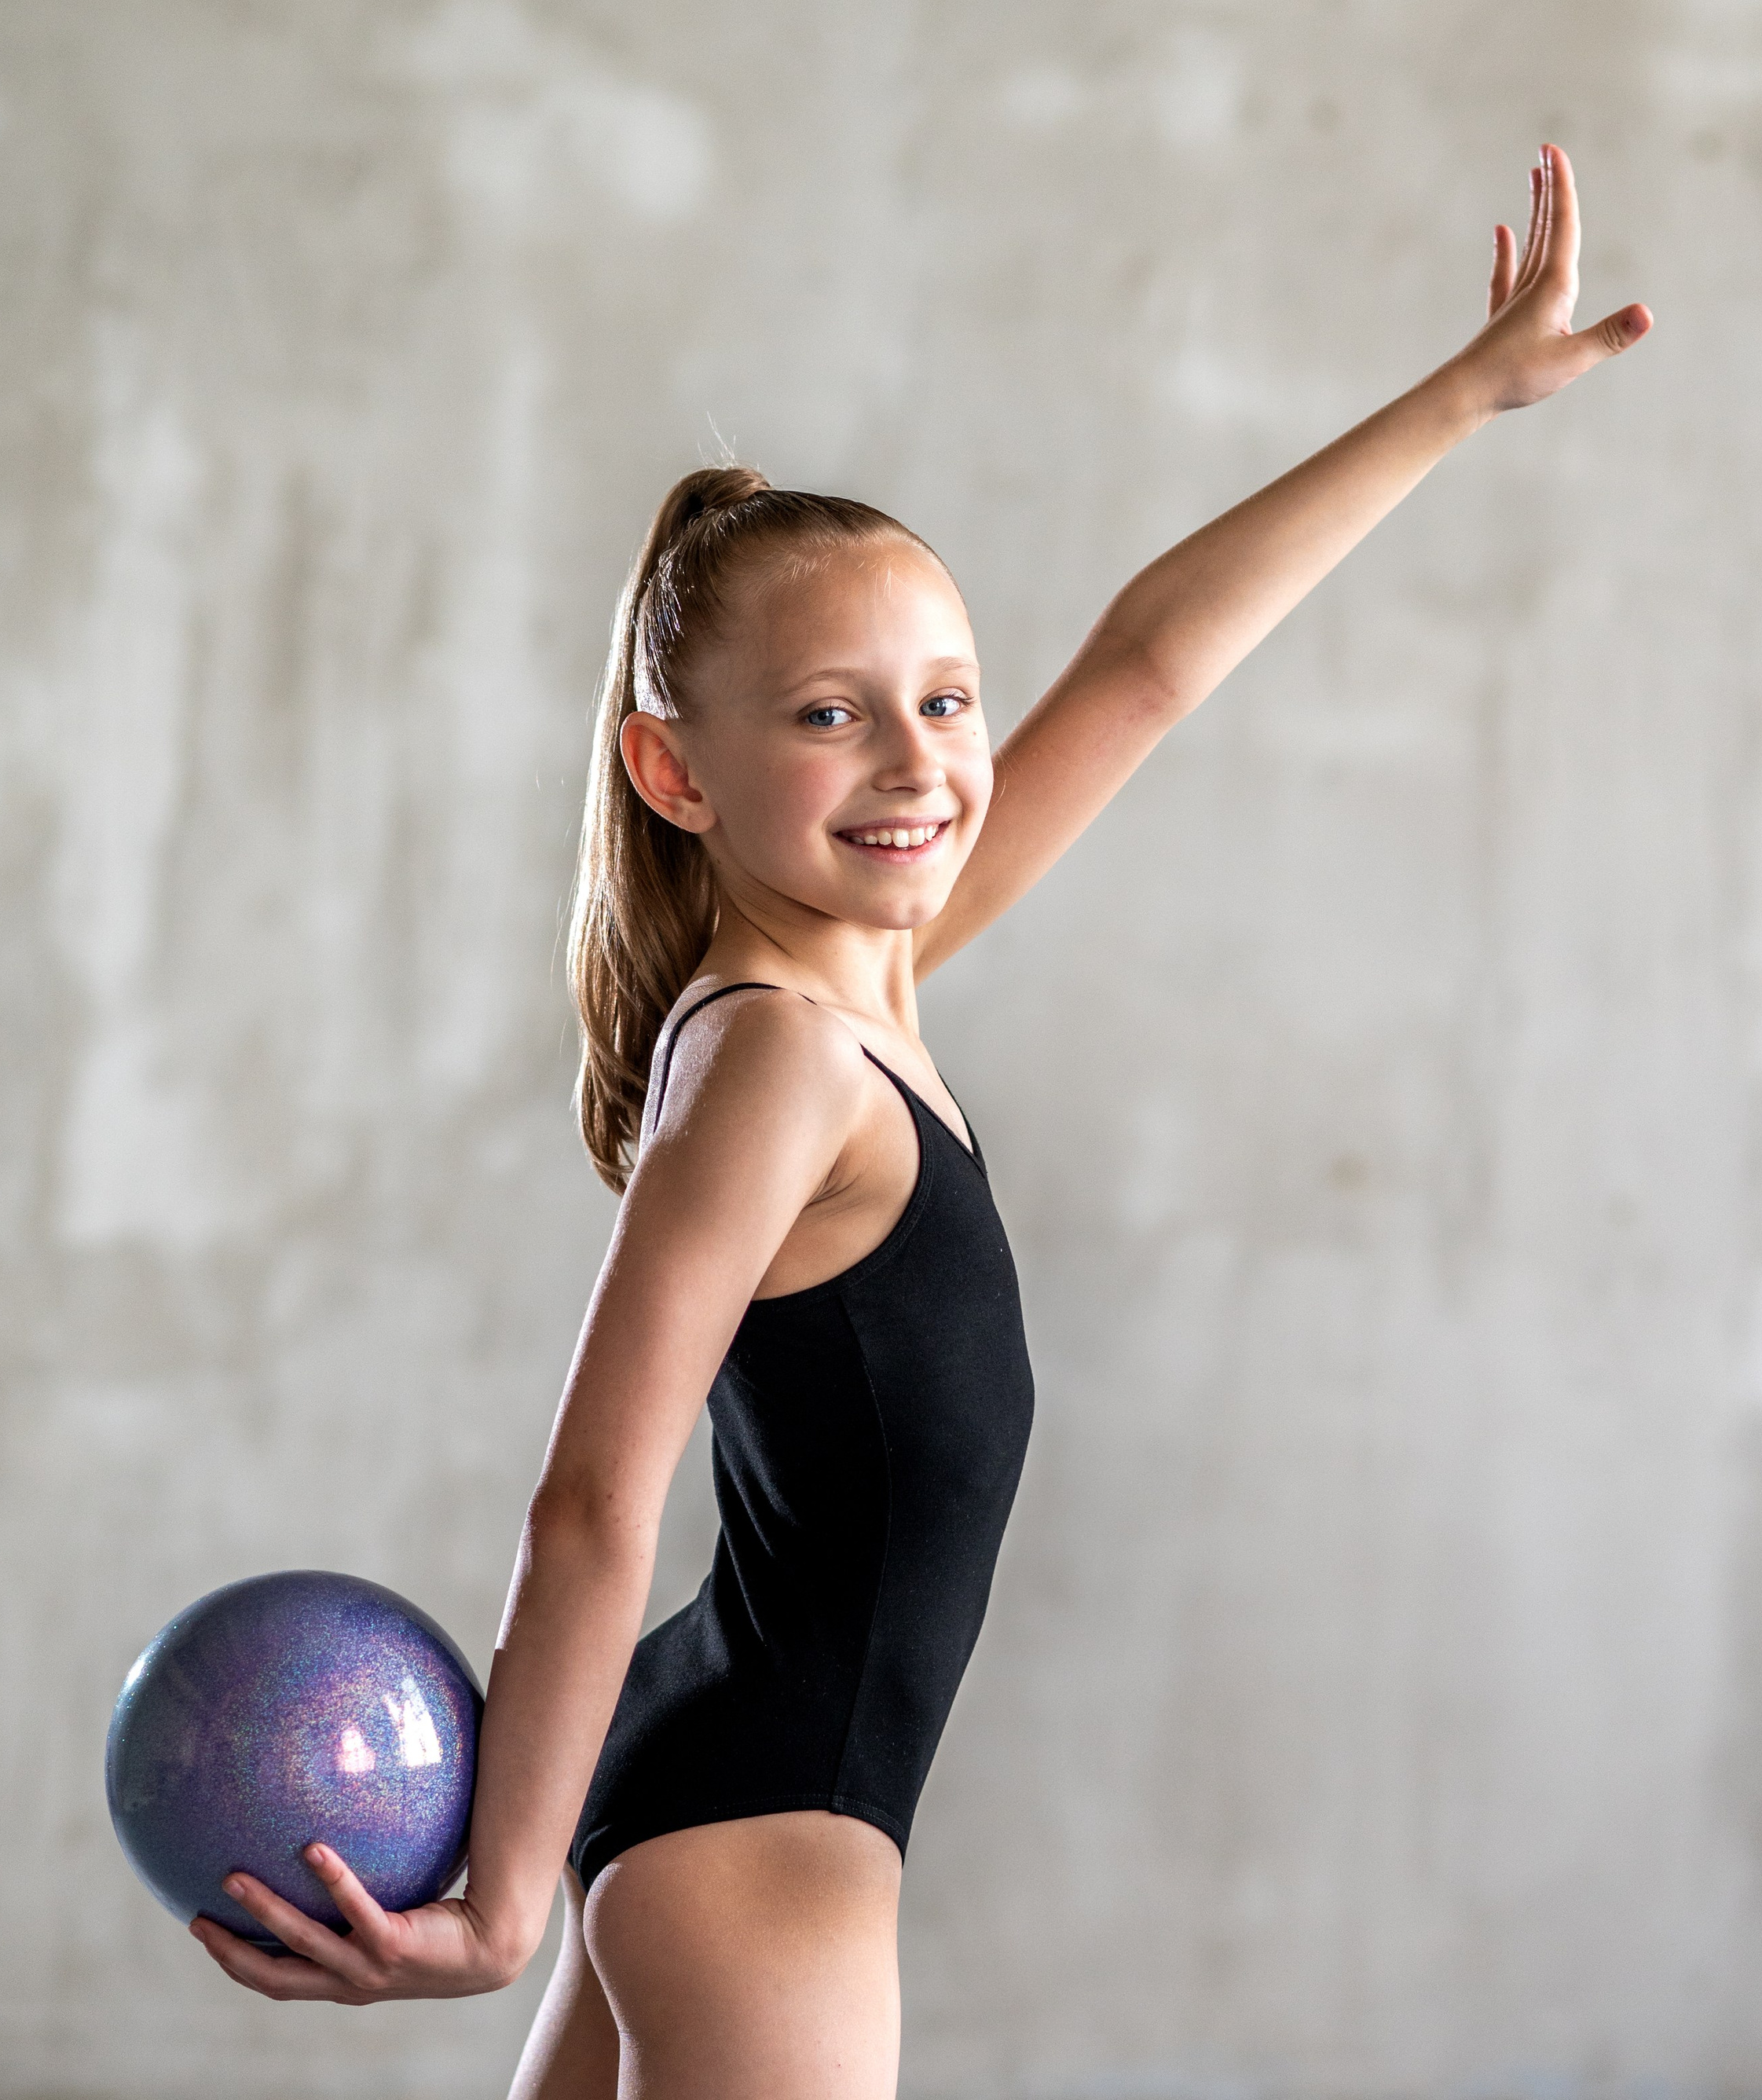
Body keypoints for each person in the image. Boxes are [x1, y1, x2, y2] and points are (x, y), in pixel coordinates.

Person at [192, 148, 1648, 2096]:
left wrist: (1456, 399)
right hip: (753, 1838)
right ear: (670, 770)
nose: (917, 762)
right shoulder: (781, 1055)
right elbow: (595, 1495)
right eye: (825, 714)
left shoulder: (856, 991)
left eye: (945, 702)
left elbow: (1140, 669)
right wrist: (502, 1901)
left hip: (716, 1792)